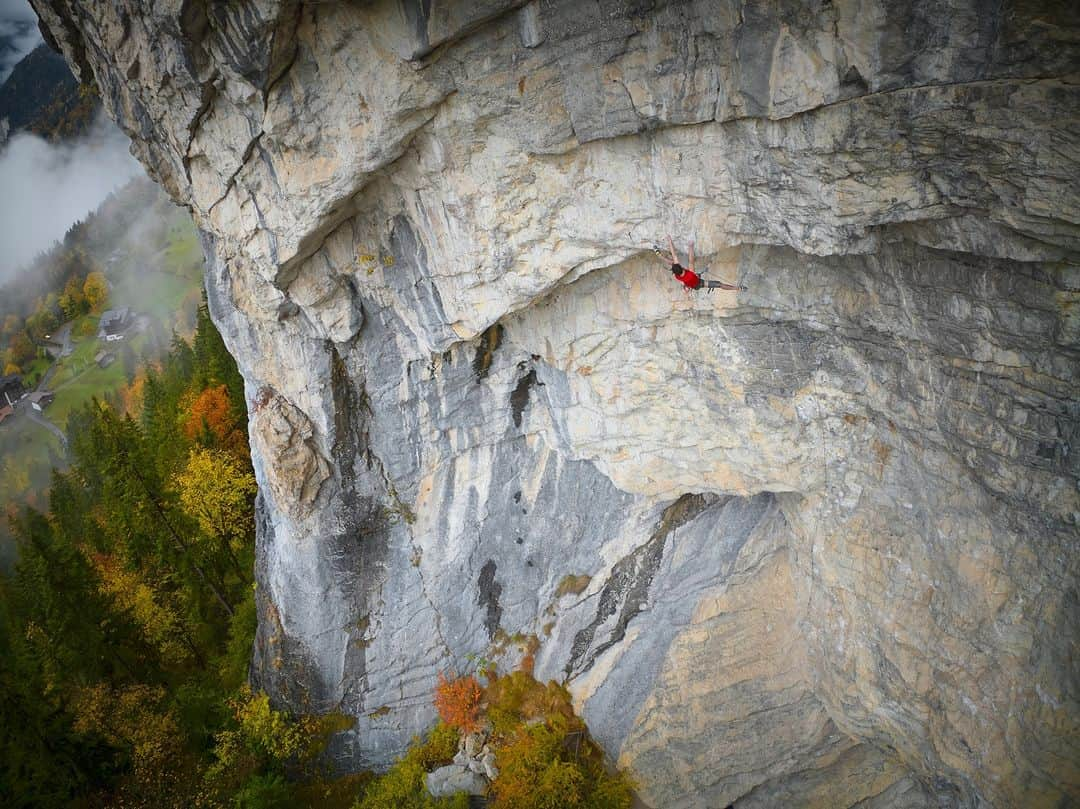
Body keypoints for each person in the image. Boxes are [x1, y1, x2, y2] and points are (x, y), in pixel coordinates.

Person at [654, 234, 744, 292]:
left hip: (692, 284)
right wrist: (690, 246)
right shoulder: (690, 274)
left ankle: (660, 256)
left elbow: (674, 257)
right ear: (681, 268)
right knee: (719, 284)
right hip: (699, 283)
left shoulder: (678, 276)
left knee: (672, 262)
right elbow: (691, 261)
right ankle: (737, 288)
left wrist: (670, 242)